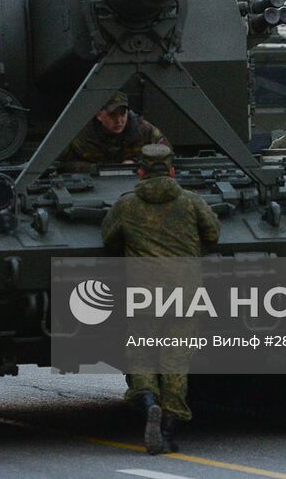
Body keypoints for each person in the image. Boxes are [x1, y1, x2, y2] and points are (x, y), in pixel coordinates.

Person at [103, 143, 220, 455]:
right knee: (176, 360)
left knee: (141, 355)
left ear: (140, 171)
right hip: (185, 291)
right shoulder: (191, 201)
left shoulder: (127, 204)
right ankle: (169, 429)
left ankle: (148, 402)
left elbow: (109, 239)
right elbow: (213, 234)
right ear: (172, 171)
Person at [61, 91, 167, 170]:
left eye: (123, 114)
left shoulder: (144, 130)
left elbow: (167, 155)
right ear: (99, 115)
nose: (119, 120)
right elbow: (57, 163)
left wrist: (136, 163)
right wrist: (91, 168)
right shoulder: (80, 133)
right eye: (112, 115)